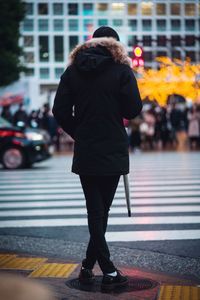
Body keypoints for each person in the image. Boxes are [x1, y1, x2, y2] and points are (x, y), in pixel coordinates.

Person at [52, 26, 142, 290]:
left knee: (96, 211)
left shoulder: (73, 71)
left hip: (87, 149)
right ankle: (109, 269)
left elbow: (59, 109)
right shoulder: (122, 70)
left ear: (92, 44)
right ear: (115, 44)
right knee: (102, 211)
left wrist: (77, 131)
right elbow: (134, 109)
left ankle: (87, 266)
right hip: (113, 148)